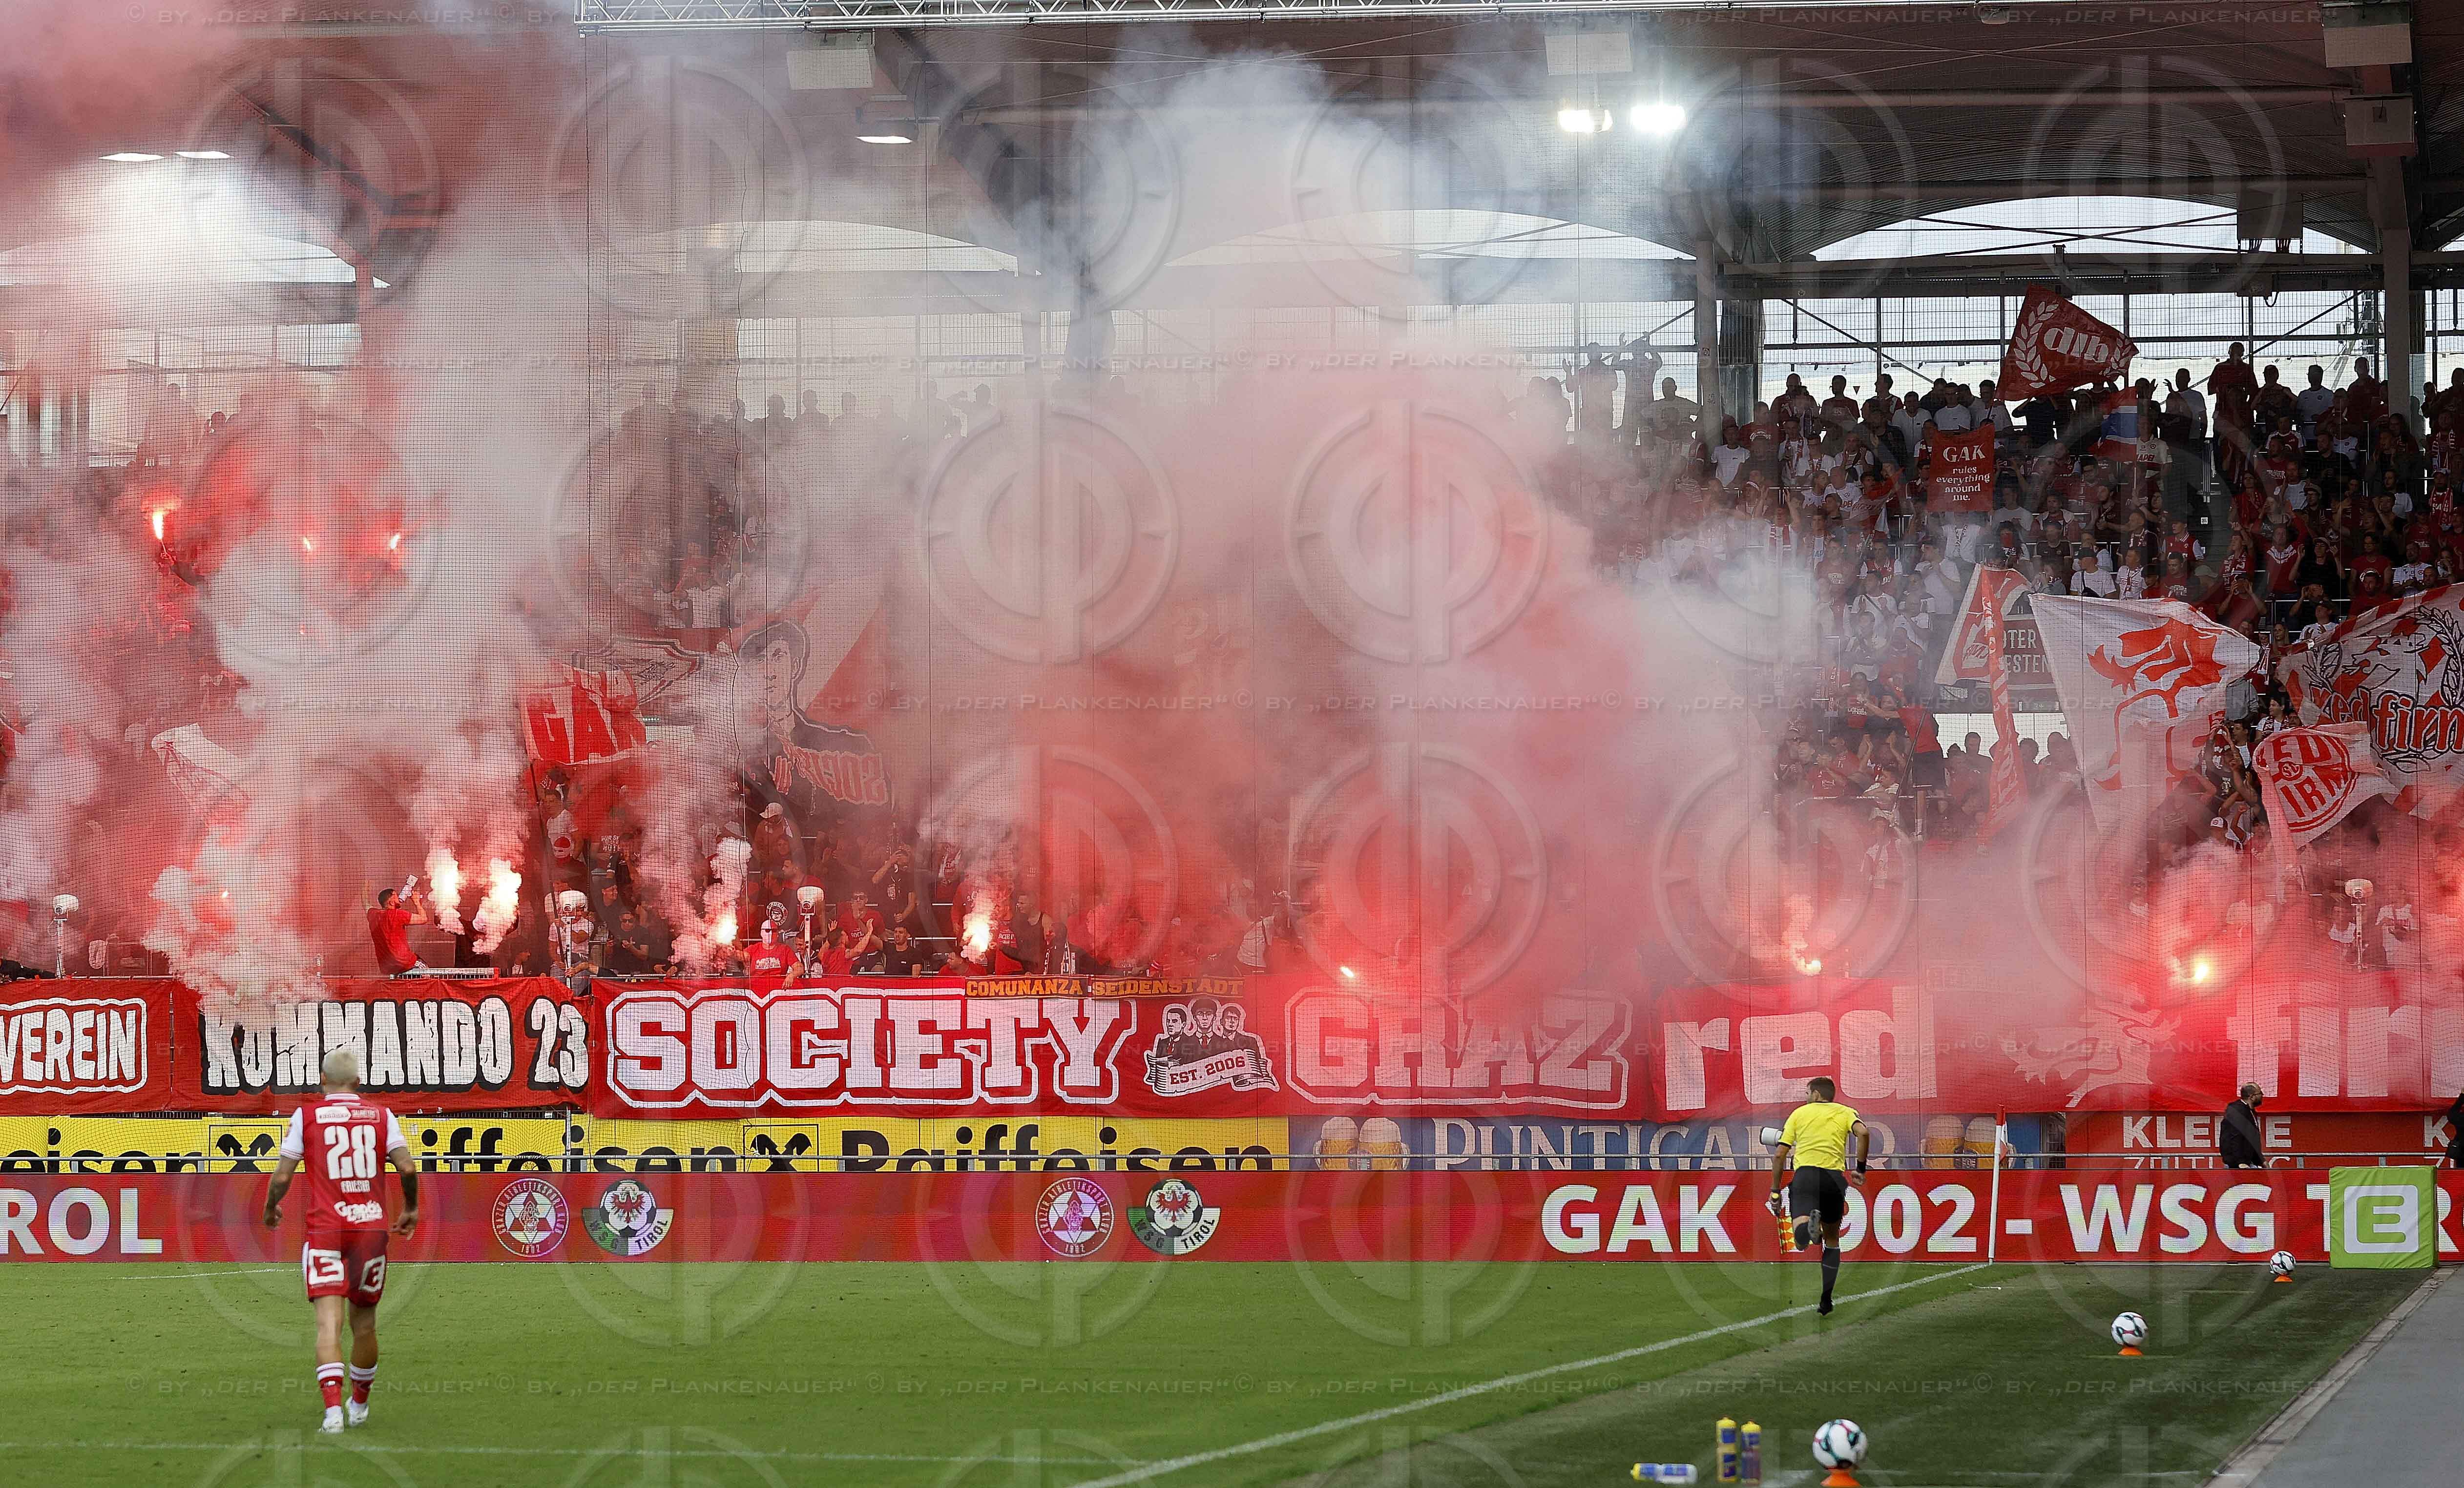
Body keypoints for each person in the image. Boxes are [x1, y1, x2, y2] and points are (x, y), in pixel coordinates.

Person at [262, 1049, 418, 1433]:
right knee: (364, 1326)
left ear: (322, 1079)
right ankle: (360, 1407)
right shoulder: (382, 1116)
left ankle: (333, 1414)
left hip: (327, 1231)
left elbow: (282, 1177)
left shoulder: (308, 1115)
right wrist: (411, 1208)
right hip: (370, 1231)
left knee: (327, 1327)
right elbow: (408, 1166)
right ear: (359, 1083)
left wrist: (270, 1208)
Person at [1766, 1075, 1869, 1316]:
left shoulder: (1800, 1114)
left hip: (1806, 1177)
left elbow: (1780, 1155)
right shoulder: (1845, 1112)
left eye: (1807, 1093)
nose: (1805, 1097)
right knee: (1833, 1242)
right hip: (1834, 1179)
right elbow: (1863, 1133)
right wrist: (1861, 1169)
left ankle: (1808, 1231)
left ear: (1815, 1095)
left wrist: (1774, 1190)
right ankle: (1826, 1299)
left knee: (1800, 1240)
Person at [365, 884, 430, 976]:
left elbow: (365, 903)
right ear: (391, 902)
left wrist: (364, 888)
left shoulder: (373, 915)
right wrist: (417, 902)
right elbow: (424, 919)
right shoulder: (397, 915)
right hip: (406, 964)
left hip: (389, 968)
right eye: (395, 895)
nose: (399, 897)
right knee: (428, 976)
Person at [2219, 1082, 2267, 1169]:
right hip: (2239, 1165)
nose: (2262, 1095)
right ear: (2252, 1097)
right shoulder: (2238, 1111)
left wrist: (2261, 1160)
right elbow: (2235, 1137)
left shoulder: (2250, 1111)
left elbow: (2252, 1140)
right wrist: (2240, 1162)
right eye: (2260, 1093)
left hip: (2248, 1162)